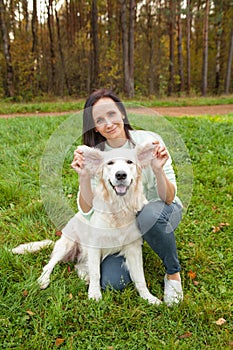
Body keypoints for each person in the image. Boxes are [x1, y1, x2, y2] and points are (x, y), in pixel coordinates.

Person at [70, 88, 183, 306]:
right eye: (99, 120)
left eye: (111, 114)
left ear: (122, 113)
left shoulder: (148, 141)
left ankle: (173, 275)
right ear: (95, 126)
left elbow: (169, 198)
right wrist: (84, 176)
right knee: (114, 282)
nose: (108, 123)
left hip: (158, 212)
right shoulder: (97, 156)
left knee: (147, 214)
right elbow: (87, 209)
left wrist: (158, 170)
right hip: (120, 225)